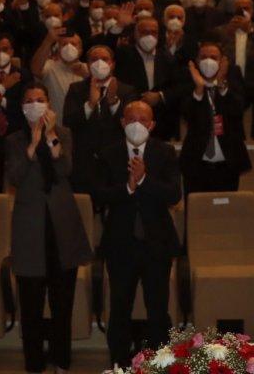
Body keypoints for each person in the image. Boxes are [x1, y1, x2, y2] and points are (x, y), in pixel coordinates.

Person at [6, 85, 93, 374]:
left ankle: (62, 361)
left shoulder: (63, 134)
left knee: (62, 303)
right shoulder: (14, 140)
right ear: (22, 107)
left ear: (49, 104)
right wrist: (32, 144)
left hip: (61, 226)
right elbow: (15, 176)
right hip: (29, 228)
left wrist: (50, 135)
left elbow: (65, 168)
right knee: (31, 304)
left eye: (40, 100)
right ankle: (34, 364)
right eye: (29, 101)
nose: (35, 105)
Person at [94, 101, 182, 367]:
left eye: (143, 120)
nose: (136, 124)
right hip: (120, 244)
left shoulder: (165, 152)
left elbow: (173, 194)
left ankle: (158, 364)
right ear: (122, 122)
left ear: (152, 125)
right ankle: (119, 364)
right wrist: (128, 188)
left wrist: (144, 180)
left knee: (158, 309)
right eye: (131, 119)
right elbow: (99, 195)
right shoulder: (108, 153)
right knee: (119, 307)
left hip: (157, 243)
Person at [62, 44, 136, 194]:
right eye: (94, 59)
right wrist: (90, 104)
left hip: (116, 163)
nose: (99, 63)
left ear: (112, 64)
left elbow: (131, 126)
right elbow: (68, 121)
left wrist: (113, 102)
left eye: (104, 59)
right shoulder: (76, 89)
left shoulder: (127, 91)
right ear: (88, 64)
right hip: (84, 162)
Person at [179, 42, 250, 194]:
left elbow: (238, 109)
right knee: (196, 207)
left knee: (226, 207)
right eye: (203, 57)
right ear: (197, 61)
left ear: (222, 61)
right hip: (196, 164)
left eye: (213, 57)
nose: (208, 61)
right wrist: (199, 89)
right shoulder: (188, 77)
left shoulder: (233, 75)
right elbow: (187, 114)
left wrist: (221, 83)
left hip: (228, 163)